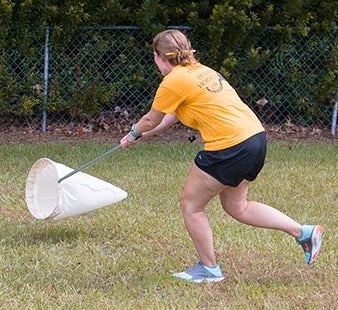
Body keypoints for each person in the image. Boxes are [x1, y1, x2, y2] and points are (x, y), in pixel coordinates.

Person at [119, 29, 323, 283]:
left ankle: (209, 269)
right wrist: (139, 136)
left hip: (230, 147)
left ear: (159, 57)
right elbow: (168, 118)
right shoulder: (201, 71)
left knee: (191, 205)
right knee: (237, 206)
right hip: (255, 140)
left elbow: (151, 118)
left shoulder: (173, 81)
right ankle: (302, 232)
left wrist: (133, 132)